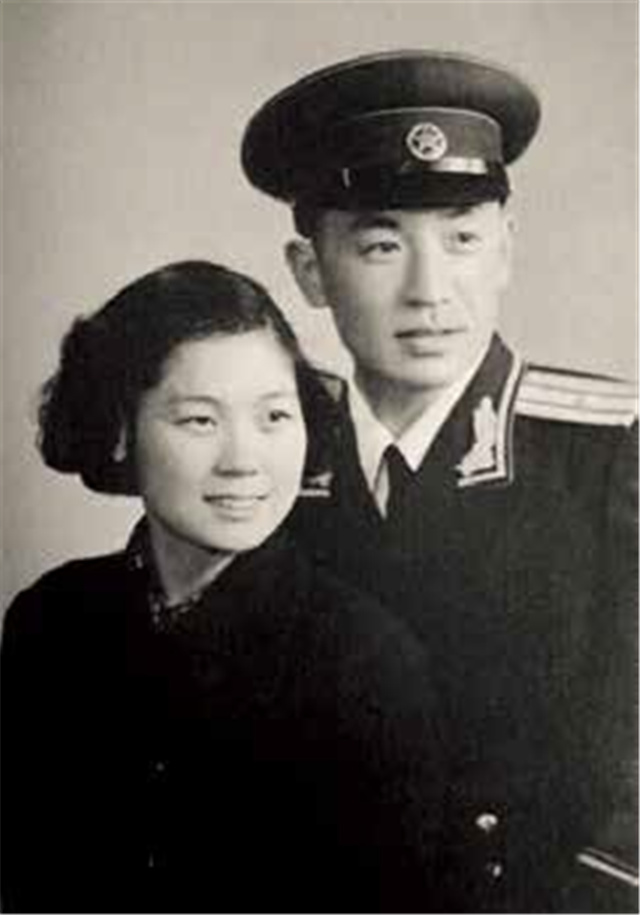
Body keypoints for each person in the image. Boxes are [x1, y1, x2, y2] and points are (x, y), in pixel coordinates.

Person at [241, 50, 639, 912]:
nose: (430, 291)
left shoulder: (611, 453)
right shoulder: (269, 469)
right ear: (309, 270)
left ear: (505, 249)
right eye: (382, 245)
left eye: (462, 239)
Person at [1, 260, 446, 913]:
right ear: (120, 431)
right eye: (200, 421)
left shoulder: (365, 661)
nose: (244, 460)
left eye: (274, 416)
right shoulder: (51, 620)